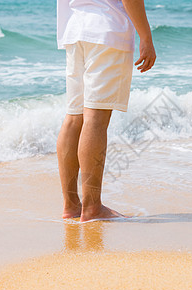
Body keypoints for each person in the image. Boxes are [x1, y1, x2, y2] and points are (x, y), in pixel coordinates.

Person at [56, 0, 156, 222]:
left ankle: (71, 206)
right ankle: (92, 207)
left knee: (74, 118)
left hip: (75, 31)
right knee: (95, 119)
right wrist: (146, 37)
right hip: (106, 30)